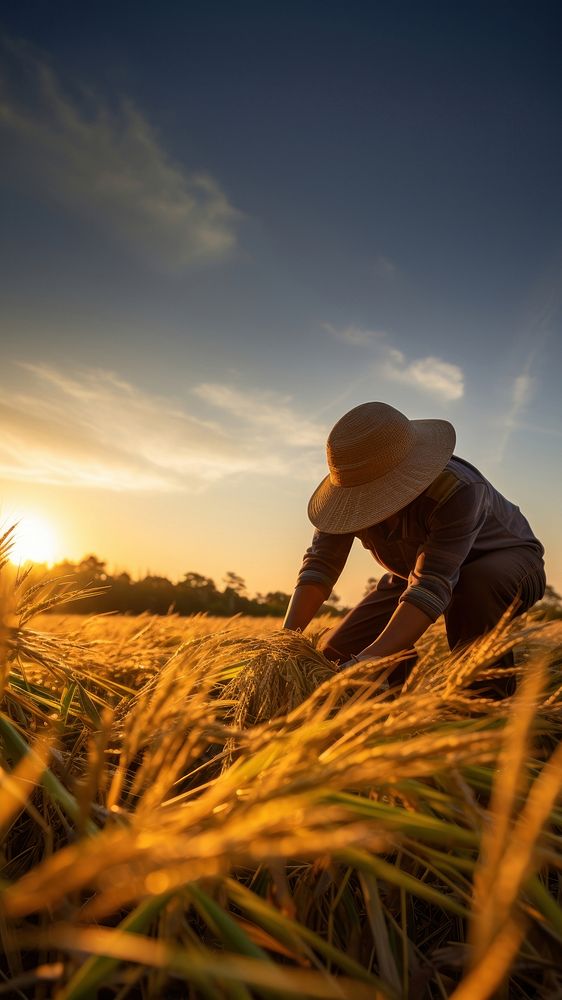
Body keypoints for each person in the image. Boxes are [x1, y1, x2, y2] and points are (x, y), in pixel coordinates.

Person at [283, 402, 546, 684]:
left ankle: (481, 707)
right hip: (413, 572)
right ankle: (385, 706)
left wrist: (367, 661)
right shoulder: (344, 501)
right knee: (335, 654)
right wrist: (284, 646)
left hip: (506, 562)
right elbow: (319, 568)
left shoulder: (457, 489)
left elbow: (431, 584)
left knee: (477, 584)